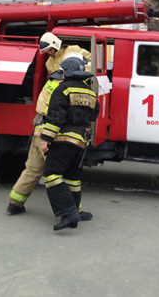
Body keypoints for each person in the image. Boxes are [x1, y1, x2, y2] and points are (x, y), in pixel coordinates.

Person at [6, 42, 92, 216]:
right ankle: (73, 211)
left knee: (32, 169)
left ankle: (14, 203)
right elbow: (59, 114)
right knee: (64, 173)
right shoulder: (66, 86)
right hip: (52, 133)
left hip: (39, 127)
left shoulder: (52, 81)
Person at [40, 55, 100, 231]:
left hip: (63, 139)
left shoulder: (62, 89)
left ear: (67, 72)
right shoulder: (90, 92)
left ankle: (68, 212)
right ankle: (77, 213)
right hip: (81, 142)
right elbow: (94, 115)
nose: (62, 74)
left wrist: (46, 139)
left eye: (63, 71)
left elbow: (56, 117)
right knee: (72, 178)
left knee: (51, 175)